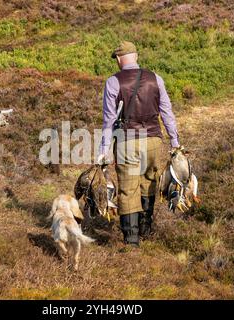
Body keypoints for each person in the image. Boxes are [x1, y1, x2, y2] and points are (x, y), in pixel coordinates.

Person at [97, 41, 180, 247]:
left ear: (118, 59)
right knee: (149, 182)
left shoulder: (113, 82)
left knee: (128, 188)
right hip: (153, 140)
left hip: (128, 141)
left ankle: (132, 240)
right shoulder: (156, 78)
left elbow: (108, 120)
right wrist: (175, 142)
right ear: (136, 56)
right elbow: (167, 113)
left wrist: (103, 150)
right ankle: (146, 229)